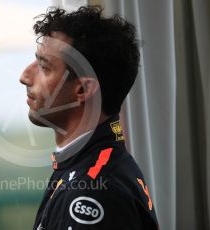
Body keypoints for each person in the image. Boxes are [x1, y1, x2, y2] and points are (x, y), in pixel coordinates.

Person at [19, 6, 159, 230]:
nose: (25, 76)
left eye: (44, 67)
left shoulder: (93, 191)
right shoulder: (88, 165)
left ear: (83, 90)